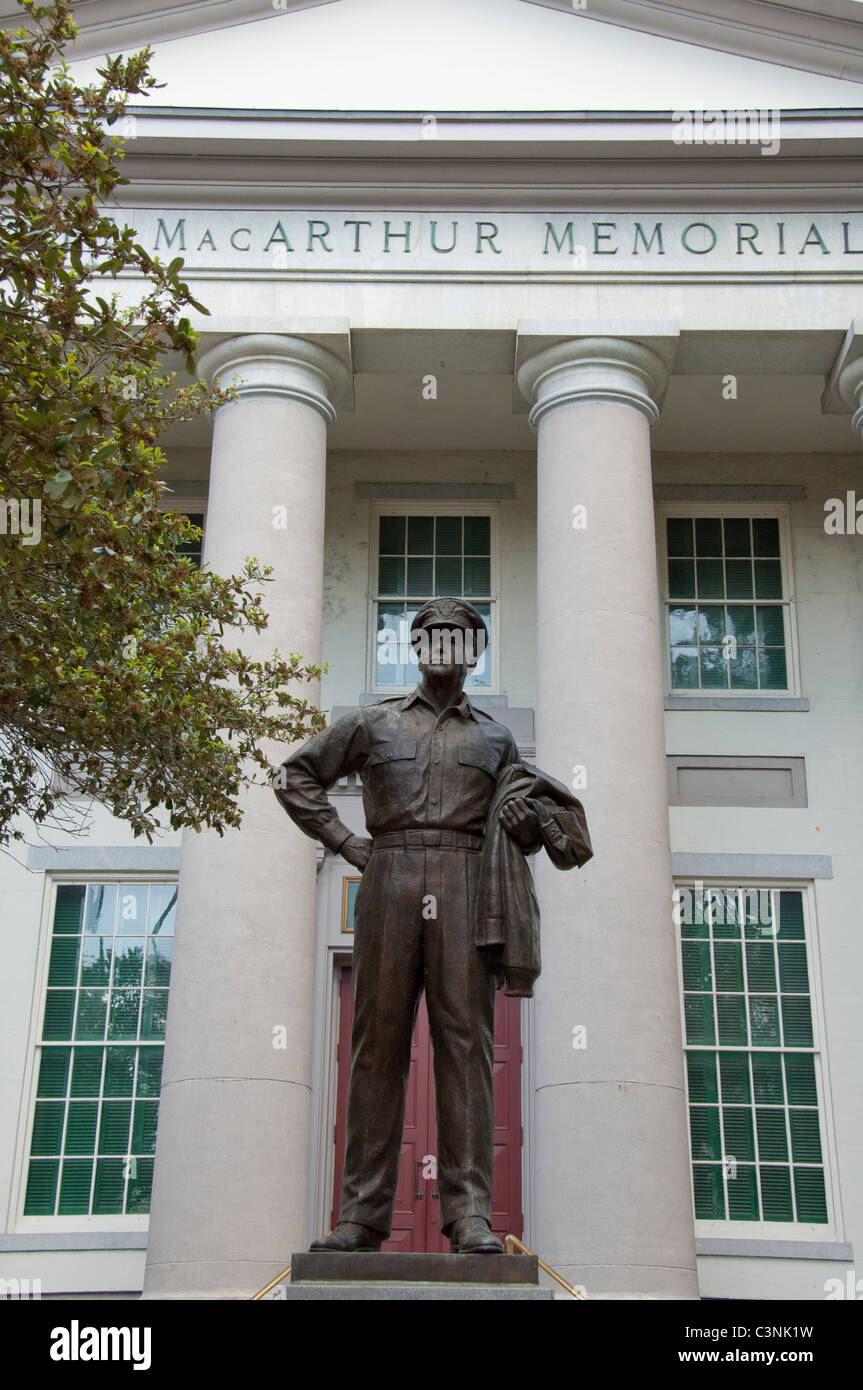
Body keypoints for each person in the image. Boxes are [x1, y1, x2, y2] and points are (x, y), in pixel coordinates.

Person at [273, 597, 590, 1254]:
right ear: (415, 648)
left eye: (458, 637)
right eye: (432, 635)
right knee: (376, 1047)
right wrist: (343, 841)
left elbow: (524, 829)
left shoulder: (495, 740)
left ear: (473, 653)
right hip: (388, 877)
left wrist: (534, 826)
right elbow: (294, 774)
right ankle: (361, 1215)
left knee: (465, 1049)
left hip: (466, 880)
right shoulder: (371, 722)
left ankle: (468, 1212)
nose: (444, 646)